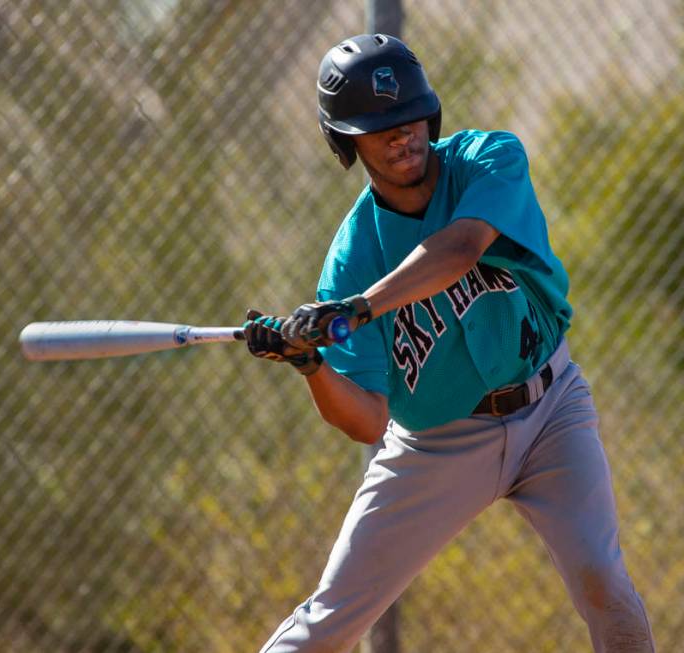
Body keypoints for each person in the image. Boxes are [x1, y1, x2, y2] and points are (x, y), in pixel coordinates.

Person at [243, 33, 655, 653]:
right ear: (346, 141)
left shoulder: (490, 158)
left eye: (409, 117)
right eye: (378, 127)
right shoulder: (353, 256)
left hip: (551, 408)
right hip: (437, 445)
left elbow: (460, 250)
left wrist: (357, 311)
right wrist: (311, 367)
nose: (401, 135)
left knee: (603, 582)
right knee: (329, 623)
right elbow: (366, 420)